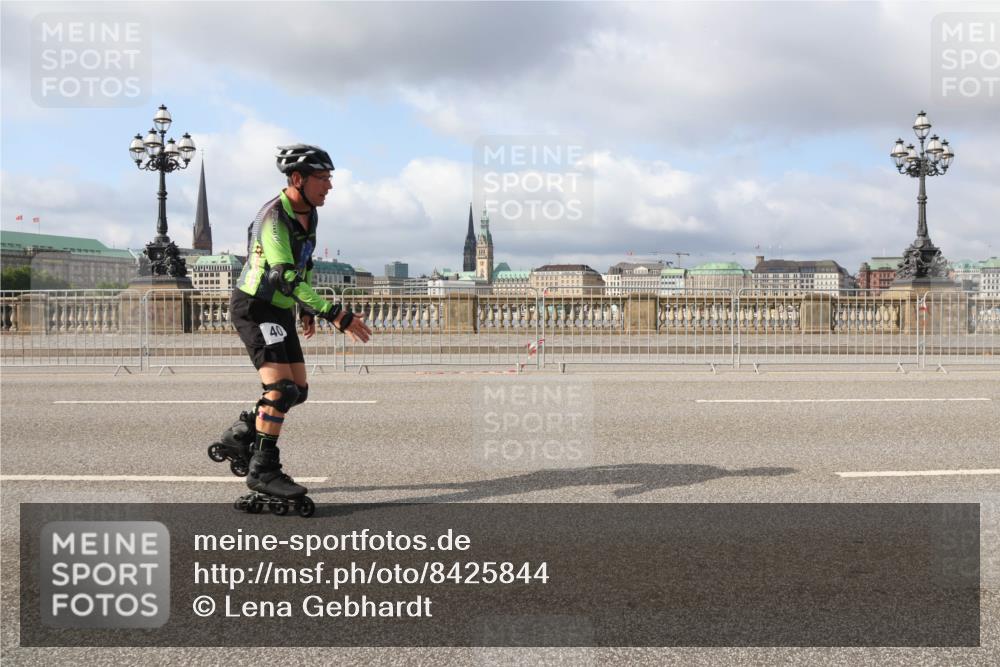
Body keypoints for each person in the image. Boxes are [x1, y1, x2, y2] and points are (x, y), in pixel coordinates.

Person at [212, 144, 371, 514]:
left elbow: (305, 264)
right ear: (297, 179)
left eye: (330, 178)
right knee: (279, 390)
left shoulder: (310, 214)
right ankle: (263, 469)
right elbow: (282, 274)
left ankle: (242, 435)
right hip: (256, 306)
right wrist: (336, 314)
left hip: (281, 309)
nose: (329, 185)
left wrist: (304, 307)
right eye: (323, 178)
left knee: (298, 390)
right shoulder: (274, 218)